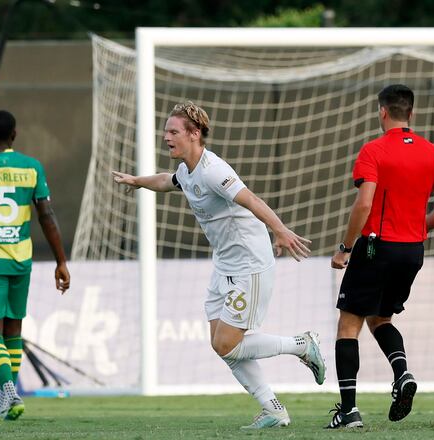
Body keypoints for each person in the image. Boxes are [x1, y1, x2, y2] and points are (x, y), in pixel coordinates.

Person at [112, 101, 326, 429]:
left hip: (250, 265)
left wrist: (280, 231)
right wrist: (137, 181)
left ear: (195, 134)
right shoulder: (187, 170)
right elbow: (165, 181)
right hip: (224, 264)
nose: (166, 137)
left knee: (228, 343)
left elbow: (251, 199)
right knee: (222, 346)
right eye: (165, 131)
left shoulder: (214, 170)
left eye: (173, 131)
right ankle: (273, 409)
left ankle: (301, 345)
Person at [326, 85, 434, 429]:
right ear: (410, 113)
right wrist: (415, 228)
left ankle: (349, 411)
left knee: (349, 324)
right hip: (413, 251)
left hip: (375, 247)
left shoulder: (373, 151)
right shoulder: (433, 154)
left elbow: (364, 203)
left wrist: (345, 247)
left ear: (382, 111)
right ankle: (402, 374)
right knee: (380, 319)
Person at [0, 110, 71, 420]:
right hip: (21, 260)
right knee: (13, 331)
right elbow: (46, 215)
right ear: (14, 135)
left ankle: (9, 391)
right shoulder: (31, 168)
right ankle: (5, 399)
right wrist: (61, 260)